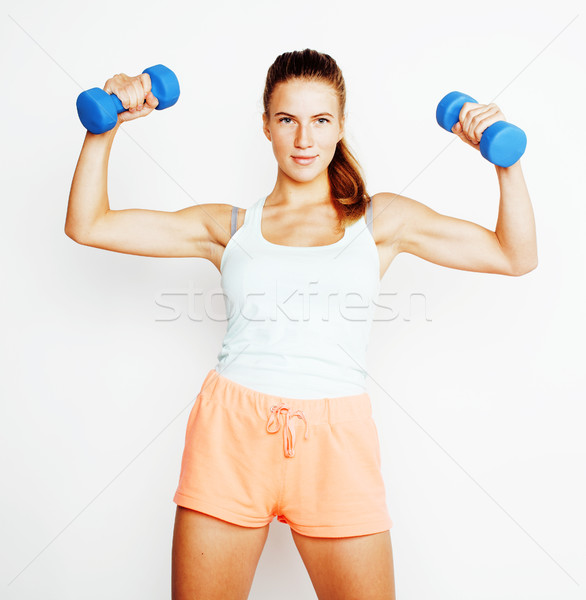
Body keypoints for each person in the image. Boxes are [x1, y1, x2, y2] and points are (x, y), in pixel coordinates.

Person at [65, 48, 538, 600]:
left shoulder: (380, 221)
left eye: (320, 121)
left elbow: (514, 255)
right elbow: (88, 224)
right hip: (230, 438)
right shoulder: (228, 227)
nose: (304, 139)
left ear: (340, 127)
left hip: (338, 445)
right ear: (265, 125)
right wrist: (107, 125)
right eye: (287, 119)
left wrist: (505, 160)